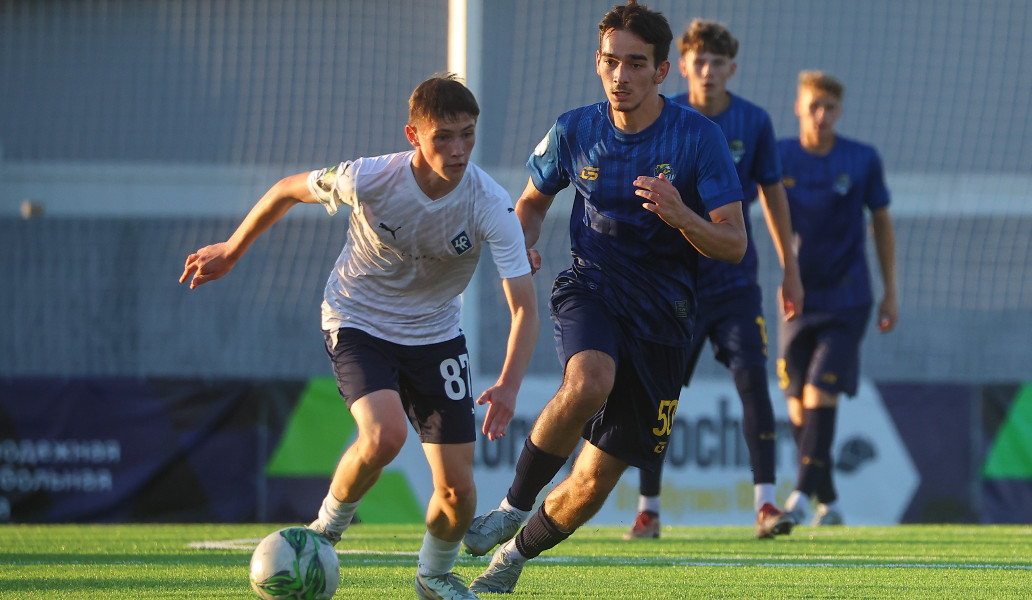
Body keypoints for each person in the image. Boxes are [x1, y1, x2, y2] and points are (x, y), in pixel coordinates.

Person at [178, 74, 539, 600]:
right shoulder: (369, 177)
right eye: (443, 137)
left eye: (468, 135)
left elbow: (524, 307)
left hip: (436, 335)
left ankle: (434, 576)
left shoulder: (490, 203)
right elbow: (285, 190)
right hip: (358, 320)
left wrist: (508, 384)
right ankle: (324, 532)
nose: (459, 150)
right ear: (413, 136)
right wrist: (232, 250)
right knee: (385, 435)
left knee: (459, 491)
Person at [463, 2, 748, 593]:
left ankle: (511, 559)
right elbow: (531, 203)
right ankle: (513, 506)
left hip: (665, 317)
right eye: (611, 61)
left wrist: (682, 216)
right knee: (589, 379)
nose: (621, 75)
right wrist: (522, 243)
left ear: (662, 71)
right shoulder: (574, 130)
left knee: (593, 481)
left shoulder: (699, 138)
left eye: (636, 64)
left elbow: (734, 243)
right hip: (591, 286)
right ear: (598, 62)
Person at [624, 19, 803, 541]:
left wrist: (791, 271)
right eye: (699, 61)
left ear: (732, 69)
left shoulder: (754, 121)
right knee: (659, 391)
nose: (707, 71)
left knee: (753, 381)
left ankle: (766, 504)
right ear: (682, 66)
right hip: (674, 282)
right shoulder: (663, 115)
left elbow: (774, 197)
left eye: (717, 63)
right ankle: (649, 508)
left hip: (734, 282)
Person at [774, 70, 898, 527]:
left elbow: (882, 223)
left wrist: (891, 292)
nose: (821, 115)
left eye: (830, 107)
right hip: (797, 299)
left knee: (819, 391)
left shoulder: (861, 159)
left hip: (849, 298)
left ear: (840, 110)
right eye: (814, 106)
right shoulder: (780, 155)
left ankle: (799, 498)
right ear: (798, 107)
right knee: (796, 404)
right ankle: (830, 501)